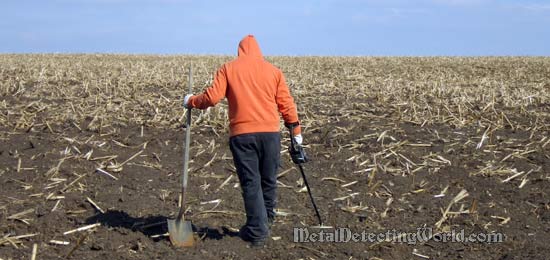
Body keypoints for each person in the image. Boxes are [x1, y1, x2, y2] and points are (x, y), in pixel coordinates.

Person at [183, 35, 303, 247]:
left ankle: (257, 230)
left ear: (240, 51)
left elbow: (211, 98)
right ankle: (264, 223)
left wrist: (191, 101)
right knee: (268, 180)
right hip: (271, 135)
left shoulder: (229, 69)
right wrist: (296, 131)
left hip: (242, 135)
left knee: (251, 182)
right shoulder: (274, 71)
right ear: (259, 51)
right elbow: (286, 103)